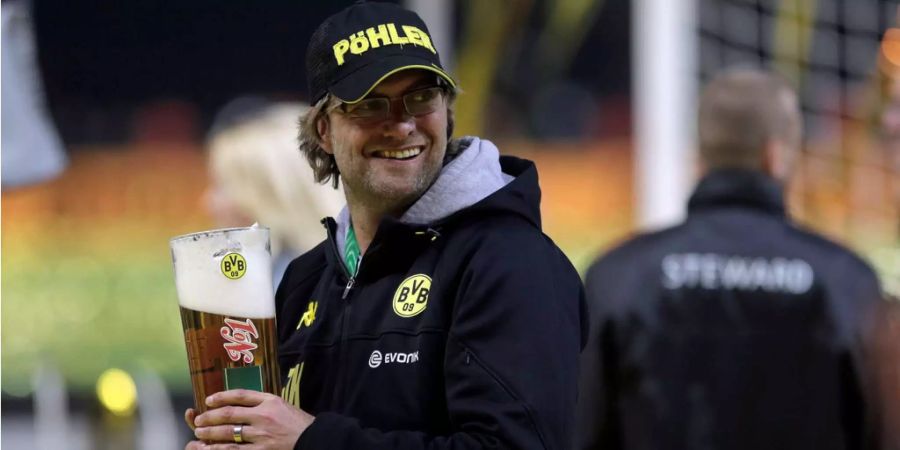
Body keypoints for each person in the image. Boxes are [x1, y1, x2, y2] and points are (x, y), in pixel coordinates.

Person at [185, 2, 586, 449]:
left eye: (421, 97)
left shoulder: (509, 263)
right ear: (323, 130)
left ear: (447, 111)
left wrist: (312, 442)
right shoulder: (306, 278)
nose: (402, 125)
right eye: (370, 104)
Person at [576, 68, 884, 450]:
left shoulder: (618, 275)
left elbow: (580, 428)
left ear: (700, 158)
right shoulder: (848, 280)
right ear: (775, 156)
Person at [203, 100, 345, 285]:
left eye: (223, 185)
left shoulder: (280, 290)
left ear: (274, 196)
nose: (208, 202)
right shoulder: (351, 270)